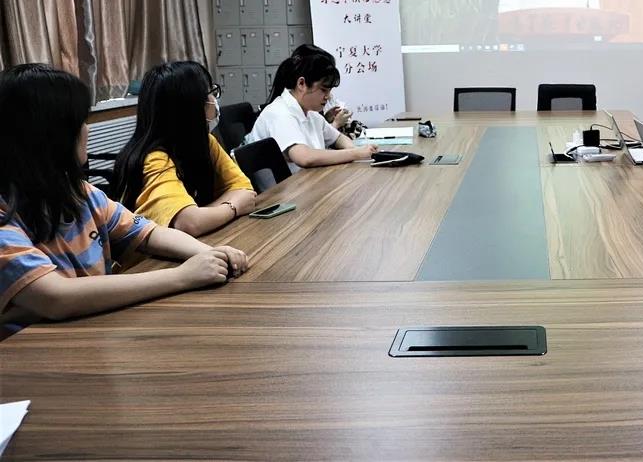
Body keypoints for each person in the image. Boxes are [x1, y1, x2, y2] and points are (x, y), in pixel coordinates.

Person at [0, 64, 248, 338]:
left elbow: (148, 232)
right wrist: (183, 276)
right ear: (49, 135)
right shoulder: (4, 215)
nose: (87, 130)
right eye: (80, 121)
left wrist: (209, 253)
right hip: (32, 349)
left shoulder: (80, 192)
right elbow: (56, 297)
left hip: (92, 331)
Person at [114, 62, 257, 237]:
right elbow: (189, 223)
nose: (214, 100)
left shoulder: (205, 142)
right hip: (151, 255)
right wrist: (232, 207)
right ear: (189, 107)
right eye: (210, 93)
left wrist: (203, 215)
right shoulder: (154, 159)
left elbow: (244, 189)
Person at [249, 44, 376, 172]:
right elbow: (304, 157)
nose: (328, 96)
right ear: (301, 84)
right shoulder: (279, 113)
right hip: (288, 184)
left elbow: (338, 138)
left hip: (309, 178)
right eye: (323, 90)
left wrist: (355, 149)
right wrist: (356, 153)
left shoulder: (311, 113)